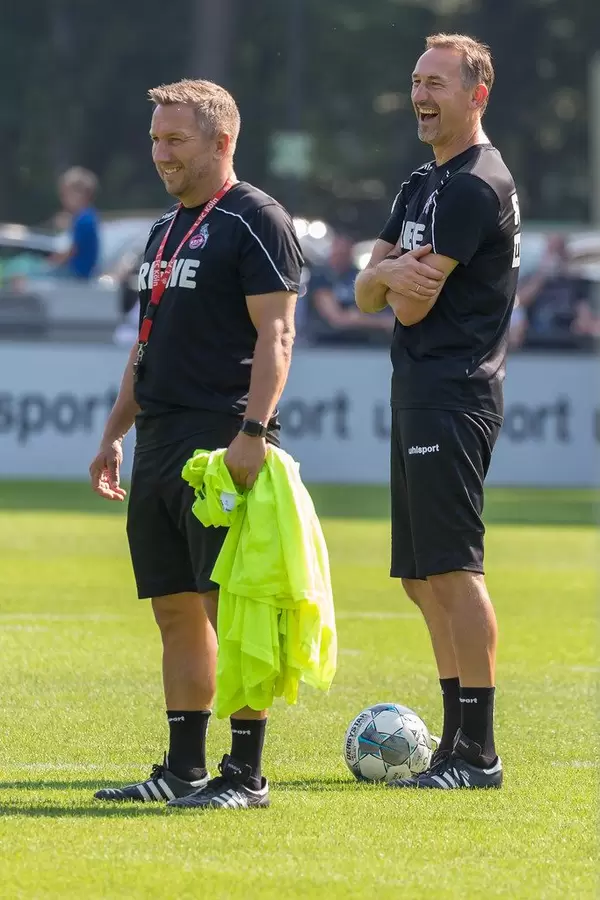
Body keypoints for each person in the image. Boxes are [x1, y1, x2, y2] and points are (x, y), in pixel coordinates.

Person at [89, 79, 303, 809]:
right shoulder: (162, 228)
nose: (161, 153)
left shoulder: (256, 219)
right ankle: (182, 771)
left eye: (175, 140)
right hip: (158, 439)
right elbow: (145, 348)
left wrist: (255, 431)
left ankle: (246, 776)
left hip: (221, 439)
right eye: (155, 139)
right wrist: (114, 432)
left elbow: (278, 335)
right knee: (174, 607)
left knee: (228, 607)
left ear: (222, 141)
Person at [355, 33, 520, 789]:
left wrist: (387, 276)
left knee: (454, 568)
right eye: (416, 81)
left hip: (453, 389)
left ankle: (478, 753)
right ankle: (454, 741)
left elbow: (411, 307)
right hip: (417, 389)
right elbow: (367, 291)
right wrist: (390, 274)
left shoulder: (475, 184)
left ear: (475, 94)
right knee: (421, 579)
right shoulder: (423, 179)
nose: (421, 96)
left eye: (438, 85)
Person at [307, 233, 394, 344]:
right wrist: (379, 322)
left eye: (345, 254)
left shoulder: (356, 274)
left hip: (361, 341)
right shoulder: (321, 276)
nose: (341, 258)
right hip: (325, 342)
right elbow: (336, 318)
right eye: (338, 253)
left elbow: (376, 306)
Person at [518, 234, 599, 348]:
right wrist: (542, 276)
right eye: (552, 251)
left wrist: (583, 321)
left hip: (567, 338)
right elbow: (519, 302)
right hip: (536, 337)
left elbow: (583, 311)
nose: (555, 256)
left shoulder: (575, 281)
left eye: (559, 250)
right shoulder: (532, 276)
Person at [52, 167, 100, 279]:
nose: (63, 199)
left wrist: (53, 262)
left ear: (81, 194)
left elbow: (73, 250)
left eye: (66, 194)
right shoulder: (86, 216)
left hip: (78, 274)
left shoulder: (84, 219)